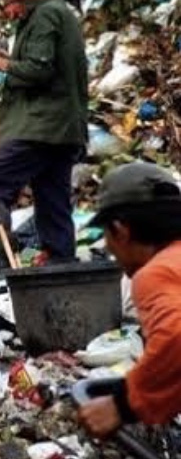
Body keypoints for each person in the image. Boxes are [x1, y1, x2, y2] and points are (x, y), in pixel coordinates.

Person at [0, 0, 88, 276]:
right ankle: (61, 263)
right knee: (52, 198)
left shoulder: (47, 13)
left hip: (42, 126)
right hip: (62, 128)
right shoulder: (52, 12)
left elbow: (39, 69)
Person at [77, 162, 181, 437]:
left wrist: (122, 405)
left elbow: (176, 338)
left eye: (106, 236)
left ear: (120, 230)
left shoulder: (157, 273)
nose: (108, 249)